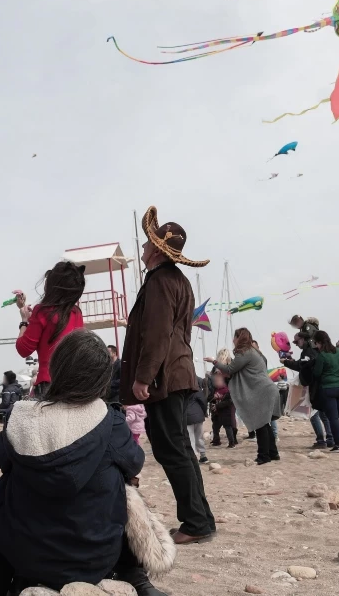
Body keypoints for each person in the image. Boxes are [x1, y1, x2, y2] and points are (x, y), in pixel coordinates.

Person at [0, 329, 172, 596]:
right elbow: (135, 463)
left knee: (16, 477)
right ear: (101, 377)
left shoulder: (21, 419)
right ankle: (134, 574)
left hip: (26, 557)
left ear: (57, 368)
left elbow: (3, 459)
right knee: (126, 487)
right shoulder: (109, 422)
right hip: (95, 557)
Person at [120, 206, 216, 545]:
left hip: (165, 376)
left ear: (158, 251)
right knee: (181, 450)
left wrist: (143, 377)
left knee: (173, 450)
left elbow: (157, 334)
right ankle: (200, 519)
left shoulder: (161, 281)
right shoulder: (179, 280)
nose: (144, 248)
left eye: (148, 244)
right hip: (178, 372)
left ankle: (196, 523)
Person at [206, 328, 280, 465]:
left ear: (239, 338)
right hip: (267, 389)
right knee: (264, 423)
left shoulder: (244, 352)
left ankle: (263, 456)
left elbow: (229, 369)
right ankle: (273, 453)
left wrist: (214, 361)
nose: (233, 341)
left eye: (234, 337)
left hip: (262, 391)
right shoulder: (254, 352)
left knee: (260, 424)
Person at [15, 262, 87, 399]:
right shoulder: (76, 313)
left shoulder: (42, 311)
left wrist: (24, 321)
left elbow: (23, 349)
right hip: (74, 382)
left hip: (49, 382)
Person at [283, 331, 332, 449]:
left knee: (314, 413)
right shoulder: (313, 350)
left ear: (304, 339)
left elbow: (303, 367)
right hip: (318, 385)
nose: (295, 343)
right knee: (322, 413)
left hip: (313, 386)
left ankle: (321, 440)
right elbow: (303, 365)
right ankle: (330, 438)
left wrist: (286, 362)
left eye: (296, 341)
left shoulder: (309, 351)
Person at [310, 331, 339, 453]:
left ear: (318, 342)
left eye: (315, 342)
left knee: (333, 418)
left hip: (328, 388)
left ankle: (338, 445)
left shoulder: (322, 355)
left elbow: (317, 373)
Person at [207, 373, 235, 447]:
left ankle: (231, 443)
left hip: (225, 413)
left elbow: (229, 402)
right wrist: (214, 398)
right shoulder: (214, 390)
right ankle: (216, 441)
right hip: (216, 414)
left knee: (228, 428)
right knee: (215, 428)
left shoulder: (227, 391)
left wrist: (218, 405)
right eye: (215, 381)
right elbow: (209, 399)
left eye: (218, 381)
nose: (216, 382)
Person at [185, 376, 208, 464]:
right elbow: (203, 402)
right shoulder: (198, 391)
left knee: (191, 438)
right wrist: (204, 413)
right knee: (199, 437)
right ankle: (203, 455)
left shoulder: (183, 392)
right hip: (198, 417)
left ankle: (194, 457)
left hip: (187, 418)